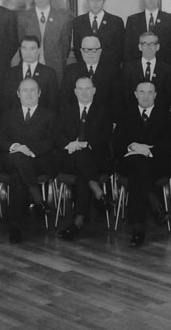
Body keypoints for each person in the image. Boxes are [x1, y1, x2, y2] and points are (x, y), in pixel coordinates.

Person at [113, 81, 171, 247]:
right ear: (135, 94)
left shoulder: (165, 115)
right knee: (137, 165)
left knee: (137, 175)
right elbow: (117, 143)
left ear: (155, 95)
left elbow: (170, 143)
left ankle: (138, 230)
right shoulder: (126, 114)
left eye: (149, 92)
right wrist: (132, 146)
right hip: (129, 164)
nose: (146, 96)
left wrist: (147, 150)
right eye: (142, 92)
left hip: (156, 165)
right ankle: (156, 204)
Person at [0, 78, 56, 244]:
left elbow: (51, 142)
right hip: (10, 160)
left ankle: (15, 227)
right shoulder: (8, 115)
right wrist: (16, 147)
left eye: (32, 90)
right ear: (18, 94)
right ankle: (38, 198)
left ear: (39, 93)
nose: (28, 94)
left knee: (17, 176)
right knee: (17, 156)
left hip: (38, 162)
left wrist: (27, 150)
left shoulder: (50, 115)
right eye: (24, 90)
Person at [55, 77, 114, 241]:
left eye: (88, 88)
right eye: (80, 89)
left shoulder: (104, 111)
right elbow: (57, 134)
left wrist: (85, 144)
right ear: (75, 92)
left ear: (94, 90)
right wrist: (70, 144)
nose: (84, 92)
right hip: (69, 159)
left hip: (96, 159)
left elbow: (105, 136)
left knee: (83, 174)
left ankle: (77, 223)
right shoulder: (65, 110)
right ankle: (98, 193)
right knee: (80, 158)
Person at [16, 0, 71, 85]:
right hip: (30, 68)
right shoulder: (23, 17)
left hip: (54, 69)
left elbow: (65, 47)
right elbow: (21, 41)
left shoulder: (62, 18)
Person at [59, 36, 121, 118]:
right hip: (76, 118)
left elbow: (117, 101)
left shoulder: (112, 72)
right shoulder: (70, 71)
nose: (90, 53)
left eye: (94, 50)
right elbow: (64, 100)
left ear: (100, 51)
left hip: (104, 119)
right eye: (86, 50)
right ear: (81, 51)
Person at [124, 0, 171, 68]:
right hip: (138, 69)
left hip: (164, 69)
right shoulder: (132, 20)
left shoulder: (170, 20)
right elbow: (128, 50)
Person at [2, 35, 58, 112]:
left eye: (32, 49)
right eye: (24, 48)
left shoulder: (49, 74)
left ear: (39, 51)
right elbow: (6, 103)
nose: (28, 53)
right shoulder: (10, 74)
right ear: (20, 50)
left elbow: (52, 104)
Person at [121, 32, 171, 109]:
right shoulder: (129, 68)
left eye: (152, 43)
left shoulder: (167, 69)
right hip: (133, 112)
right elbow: (126, 94)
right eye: (145, 43)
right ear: (140, 47)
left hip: (159, 112)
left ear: (158, 47)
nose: (149, 47)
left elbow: (168, 95)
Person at [73, 0, 124, 65]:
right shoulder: (78, 21)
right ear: (87, 1)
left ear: (104, 1)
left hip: (109, 68)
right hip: (86, 68)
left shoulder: (116, 22)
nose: (95, 3)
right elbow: (77, 49)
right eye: (92, 0)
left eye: (99, 0)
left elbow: (119, 50)